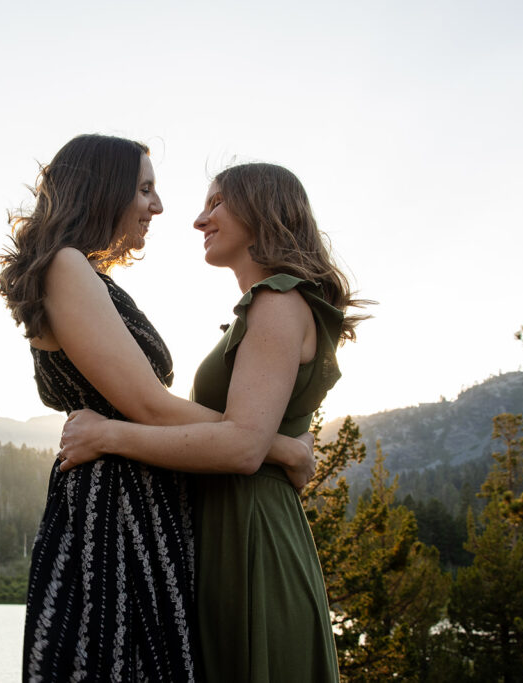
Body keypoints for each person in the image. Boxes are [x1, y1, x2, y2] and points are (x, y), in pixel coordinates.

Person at [0, 136, 315, 682]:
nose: (158, 206)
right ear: (104, 188)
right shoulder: (67, 266)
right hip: (114, 509)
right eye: (145, 189)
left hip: (135, 499)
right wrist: (277, 445)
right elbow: (148, 403)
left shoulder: (82, 272)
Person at [59, 162, 367, 682]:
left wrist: (108, 435)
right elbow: (248, 433)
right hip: (235, 523)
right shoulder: (271, 306)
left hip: (250, 533)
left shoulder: (277, 301)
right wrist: (284, 448)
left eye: (217, 202)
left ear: (262, 209)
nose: (200, 220)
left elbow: (241, 447)